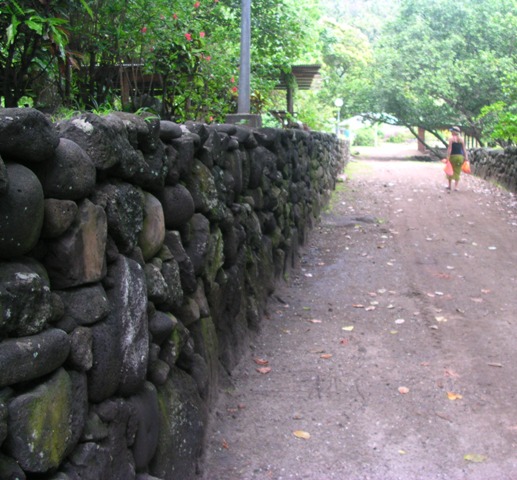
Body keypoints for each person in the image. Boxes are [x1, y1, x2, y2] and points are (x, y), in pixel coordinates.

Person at [445, 126, 468, 191]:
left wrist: (448, 157)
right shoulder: (462, 139)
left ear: (454, 132)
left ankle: (449, 186)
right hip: (460, 157)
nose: (451, 132)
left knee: (449, 170)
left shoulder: (451, 139)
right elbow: (464, 149)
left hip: (453, 156)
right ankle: (456, 187)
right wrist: (466, 157)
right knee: (457, 171)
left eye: (452, 131)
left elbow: (450, 149)